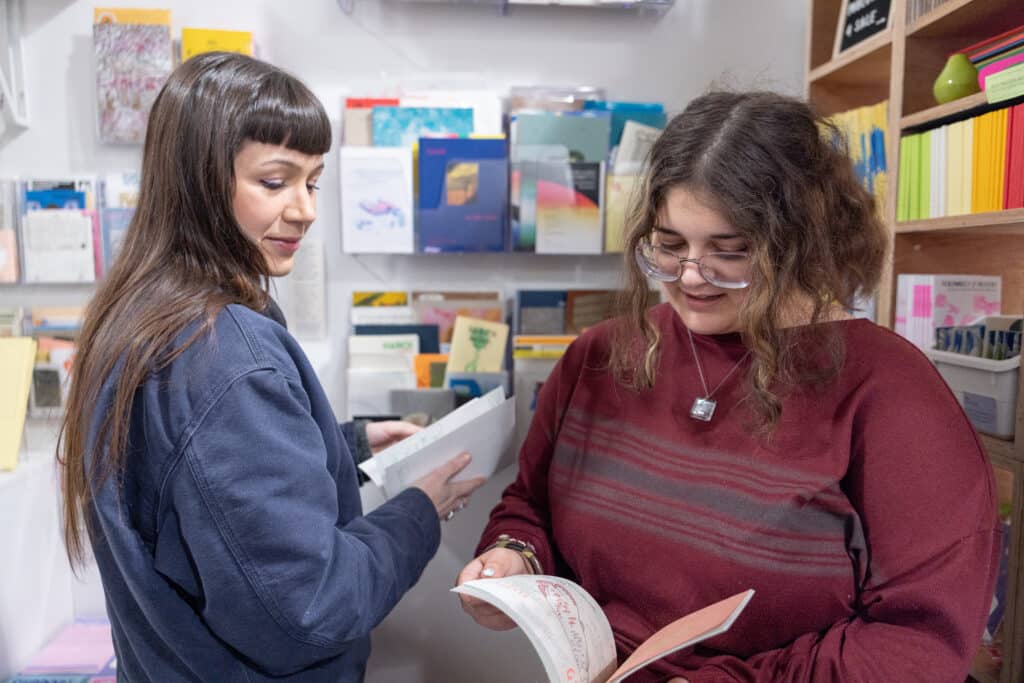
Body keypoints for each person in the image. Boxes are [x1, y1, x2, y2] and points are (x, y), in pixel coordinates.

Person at [457, 91, 1000, 682]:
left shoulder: (891, 393)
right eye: (668, 245)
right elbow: (530, 504)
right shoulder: (602, 354)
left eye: (730, 251)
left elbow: (918, 641)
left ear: (801, 245)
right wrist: (514, 555)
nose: (691, 276)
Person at [58, 52, 484, 682]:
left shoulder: (141, 313)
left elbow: (192, 483)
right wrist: (418, 512)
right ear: (200, 181)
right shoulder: (223, 353)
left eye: (312, 182)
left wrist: (352, 447)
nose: (306, 210)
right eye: (275, 181)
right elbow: (313, 607)